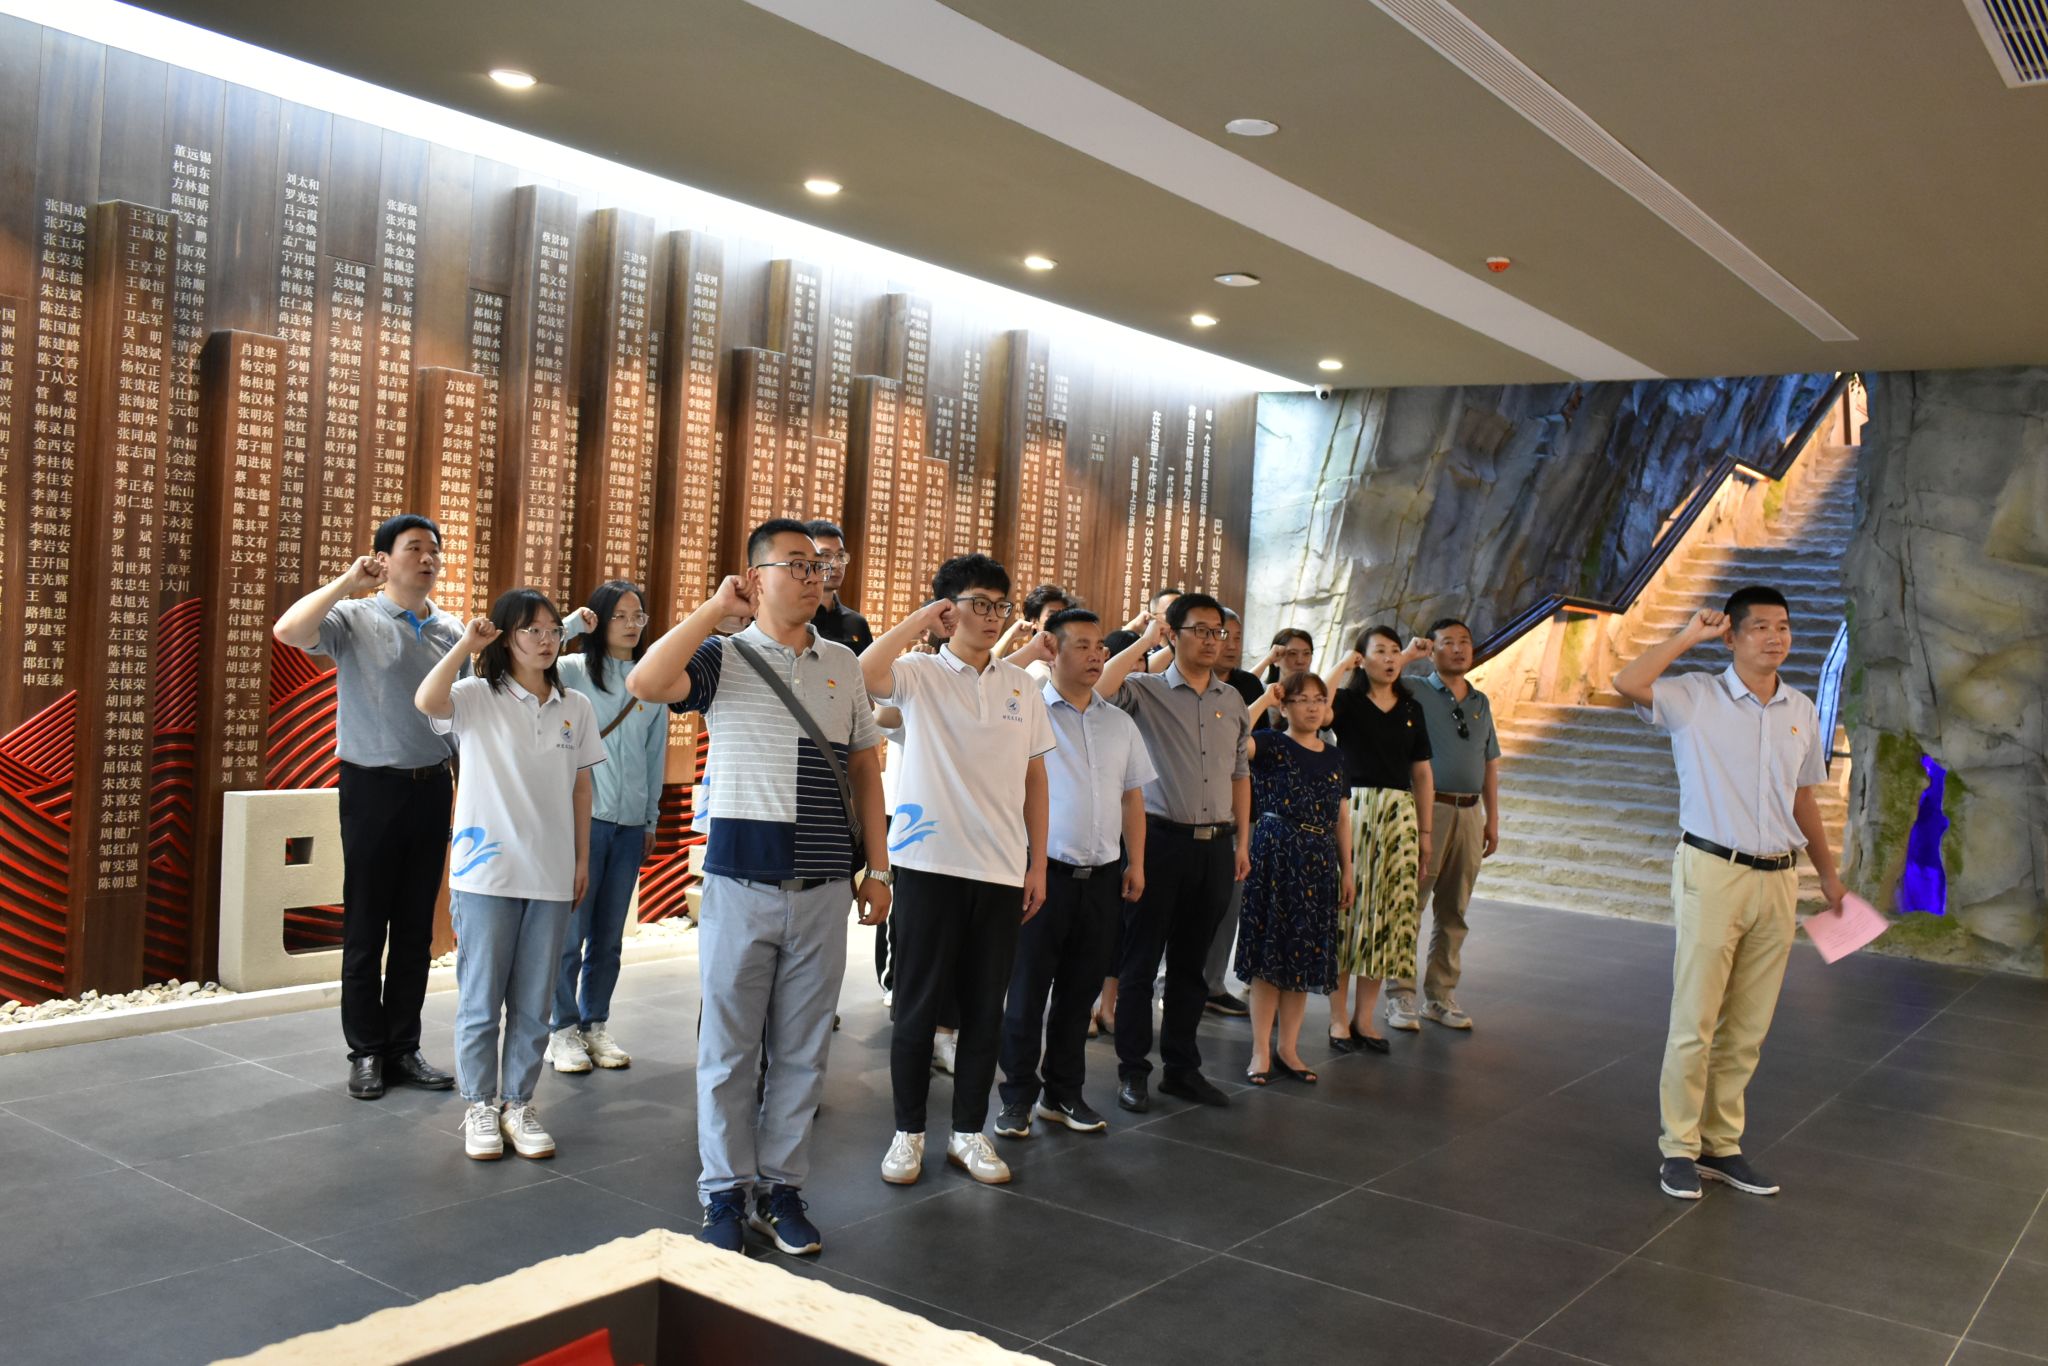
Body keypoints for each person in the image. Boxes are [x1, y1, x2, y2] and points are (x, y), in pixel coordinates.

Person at [629, 518, 891, 1254]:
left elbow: (864, 767)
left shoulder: (842, 661)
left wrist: (878, 868)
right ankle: (722, 1192)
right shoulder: (724, 655)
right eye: (795, 565)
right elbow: (646, 682)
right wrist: (715, 611)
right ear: (756, 577)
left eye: (819, 566)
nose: (813, 577)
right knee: (729, 1049)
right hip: (741, 879)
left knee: (804, 1049)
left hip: (825, 883)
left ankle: (782, 1189)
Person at [1613, 587, 1845, 1203]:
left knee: (1748, 1025)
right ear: (1733, 636)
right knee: (1696, 1017)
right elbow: (1627, 681)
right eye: (1761, 627)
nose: (1776, 637)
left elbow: (1803, 798)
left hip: (1779, 879)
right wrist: (1689, 635)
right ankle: (1679, 1147)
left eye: (1783, 626)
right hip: (1713, 869)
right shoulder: (1696, 696)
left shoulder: (1800, 708)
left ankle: (1721, 1144)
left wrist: (1827, 874)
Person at [860, 554, 1053, 1188]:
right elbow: (864, 674)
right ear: (949, 610)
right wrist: (923, 619)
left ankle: (969, 1133)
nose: (991, 616)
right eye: (978, 603)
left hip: (1000, 869)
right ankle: (908, 1133)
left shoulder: (1022, 686)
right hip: (927, 864)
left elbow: (1035, 778)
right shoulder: (918, 673)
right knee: (917, 1007)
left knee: (985, 1010)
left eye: (1000, 605)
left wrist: (1037, 863)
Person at [271, 514, 461, 1100]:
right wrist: (347, 583)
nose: (427, 559)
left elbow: (461, 718)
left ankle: (404, 1047)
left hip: (433, 786)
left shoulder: (452, 629)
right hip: (371, 787)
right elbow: (288, 631)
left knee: (415, 929)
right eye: (414, 548)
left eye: (434, 550)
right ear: (383, 558)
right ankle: (366, 1052)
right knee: (365, 924)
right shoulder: (353, 617)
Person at [415, 588, 603, 1162]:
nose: (546, 640)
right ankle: (480, 1104)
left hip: (549, 874)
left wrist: (580, 861)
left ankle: (518, 1103)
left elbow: (581, 787)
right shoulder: (476, 696)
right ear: (505, 636)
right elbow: (427, 699)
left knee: (534, 1002)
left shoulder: (576, 706)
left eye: (552, 630)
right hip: (485, 875)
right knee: (481, 1000)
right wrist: (465, 648)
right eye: (531, 630)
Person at [994, 609, 1152, 1140]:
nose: (1095, 655)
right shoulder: (1027, 711)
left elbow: (1132, 797)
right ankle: (1017, 1096)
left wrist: (1136, 861)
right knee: (1026, 992)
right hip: (1042, 875)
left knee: (1079, 993)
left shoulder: (1119, 722)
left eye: (1099, 647)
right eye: (1081, 645)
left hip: (1102, 876)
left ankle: (1063, 1093)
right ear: (1052, 651)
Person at [1096, 593, 1251, 1112]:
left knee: (1192, 966)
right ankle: (1133, 1071)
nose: (1212, 640)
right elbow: (1099, 688)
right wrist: (1145, 639)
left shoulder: (1232, 699)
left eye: (1218, 631)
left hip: (1216, 846)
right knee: (1140, 963)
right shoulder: (1146, 690)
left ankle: (1182, 1070)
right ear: (1175, 634)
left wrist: (1243, 841)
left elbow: (1240, 774)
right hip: (1159, 842)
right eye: (1200, 630)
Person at [546, 580, 666, 1073]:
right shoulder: (573, 670)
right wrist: (571, 627)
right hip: (584, 821)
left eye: (639, 615)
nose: (632, 624)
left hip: (630, 824)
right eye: (620, 615)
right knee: (569, 934)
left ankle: (594, 1023)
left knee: (609, 937)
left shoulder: (650, 679)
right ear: (600, 619)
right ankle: (561, 1030)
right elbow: (526, 660)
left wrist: (651, 817)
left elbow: (654, 754)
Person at [1325, 627, 1435, 1051]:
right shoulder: (1347, 702)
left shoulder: (1411, 707)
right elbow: (1320, 712)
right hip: (1354, 810)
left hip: (1399, 815)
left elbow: (1421, 772)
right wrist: (1342, 666)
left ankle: (1364, 1018)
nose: (1390, 659)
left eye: (1394, 651)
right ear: (1361, 658)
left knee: (1386, 916)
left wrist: (1425, 832)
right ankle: (1338, 1019)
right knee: (1347, 914)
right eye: (1380, 651)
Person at [1238, 673, 1348, 1085]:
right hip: (1275, 854)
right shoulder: (1270, 743)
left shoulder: (1334, 755)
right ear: (1285, 707)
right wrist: (1264, 699)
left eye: (1319, 699)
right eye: (1303, 699)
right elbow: (1232, 741)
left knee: (1302, 955)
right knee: (1270, 956)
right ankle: (1261, 1050)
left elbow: (1342, 817)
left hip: (1318, 860)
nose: (1313, 707)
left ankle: (1289, 1048)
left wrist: (1348, 868)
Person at [1393, 617, 1502, 1030]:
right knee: (1411, 902)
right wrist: (1409, 655)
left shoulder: (1480, 701)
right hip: (1428, 808)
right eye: (1448, 642)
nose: (1458, 649)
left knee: (1455, 909)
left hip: (1470, 812)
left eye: (1465, 642)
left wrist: (1492, 819)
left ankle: (1440, 996)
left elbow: (1490, 763)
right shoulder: (1416, 688)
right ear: (1433, 649)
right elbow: (1377, 678)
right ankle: (1400, 995)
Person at [1200, 607, 1269, 1018]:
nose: (1230, 644)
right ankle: (1169, 980)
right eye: (1222, 634)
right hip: (1191, 811)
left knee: (1229, 903)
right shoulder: (1186, 684)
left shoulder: (1248, 685)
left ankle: (1212, 983)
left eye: (1237, 637)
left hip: (1239, 809)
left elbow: (1254, 748)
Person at [806, 519, 874, 654]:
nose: (836, 564)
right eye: (825, 555)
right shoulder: (797, 619)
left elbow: (871, 666)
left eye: (841, 555)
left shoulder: (857, 623)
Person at [995, 584, 1071, 680]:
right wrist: (1010, 635)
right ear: (1034, 621)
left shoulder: (1072, 668)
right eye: (1052, 615)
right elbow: (987, 672)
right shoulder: (1025, 669)